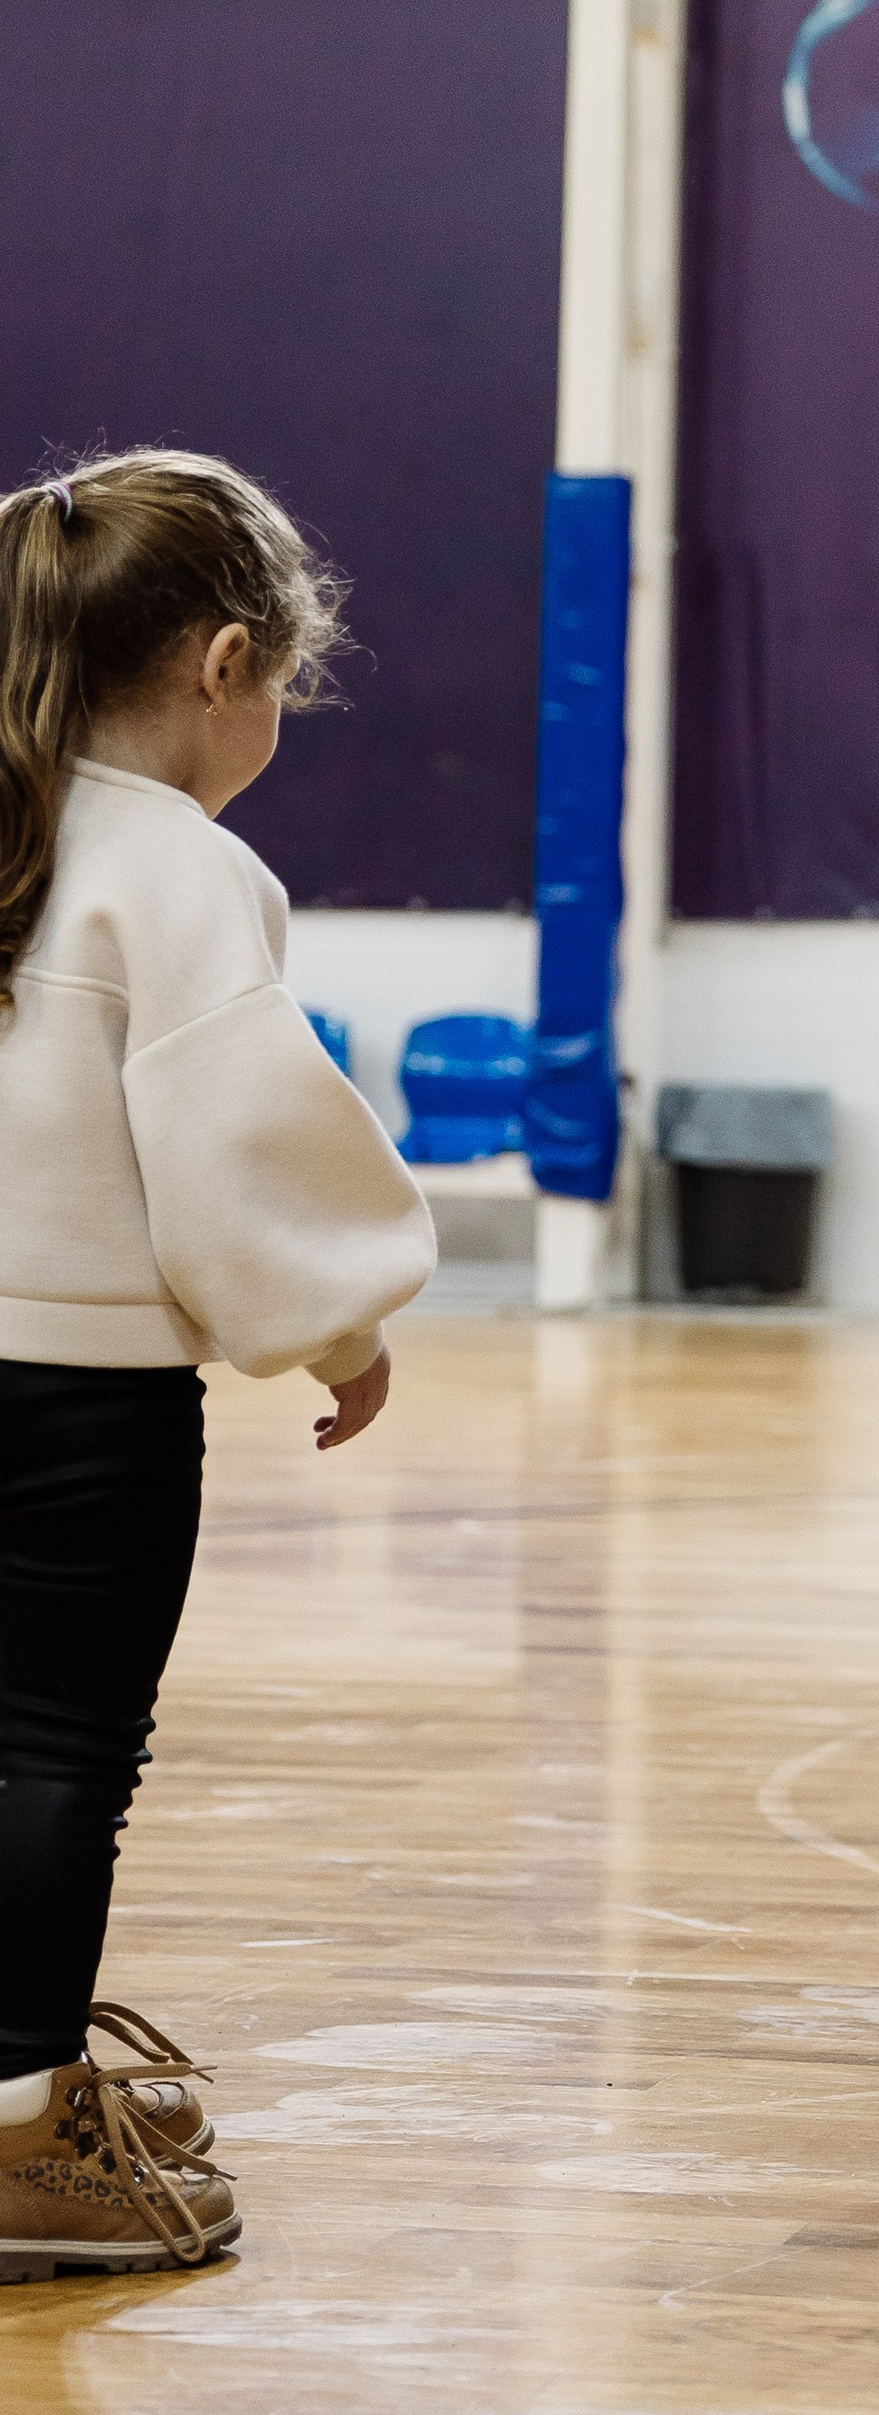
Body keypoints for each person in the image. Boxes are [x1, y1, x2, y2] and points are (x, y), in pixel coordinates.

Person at [0, 451, 435, 2280]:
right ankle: (22, 2128)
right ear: (226, 663)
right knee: (53, 1751)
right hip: (77, 1410)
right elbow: (239, 1150)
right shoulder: (181, 874)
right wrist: (339, 1325)